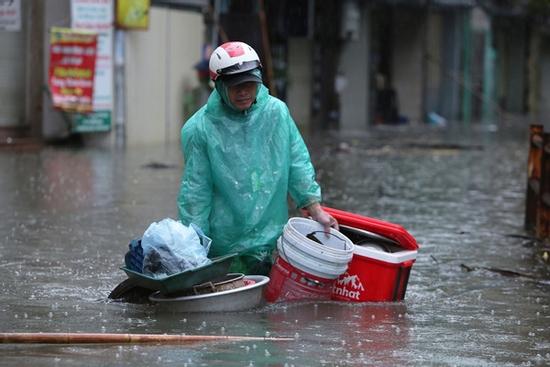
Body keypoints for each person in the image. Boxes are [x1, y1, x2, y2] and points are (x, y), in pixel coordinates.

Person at [177, 41, 338, 275]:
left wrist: (315, 209)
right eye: (235, 86)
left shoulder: (276, 113)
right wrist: (193, 247)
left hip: (270, 241)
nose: (243, 91)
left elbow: (297, 162)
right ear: (219, 86)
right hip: (223, 245)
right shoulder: (200, 128)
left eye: (249, 84)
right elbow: (195, 192)